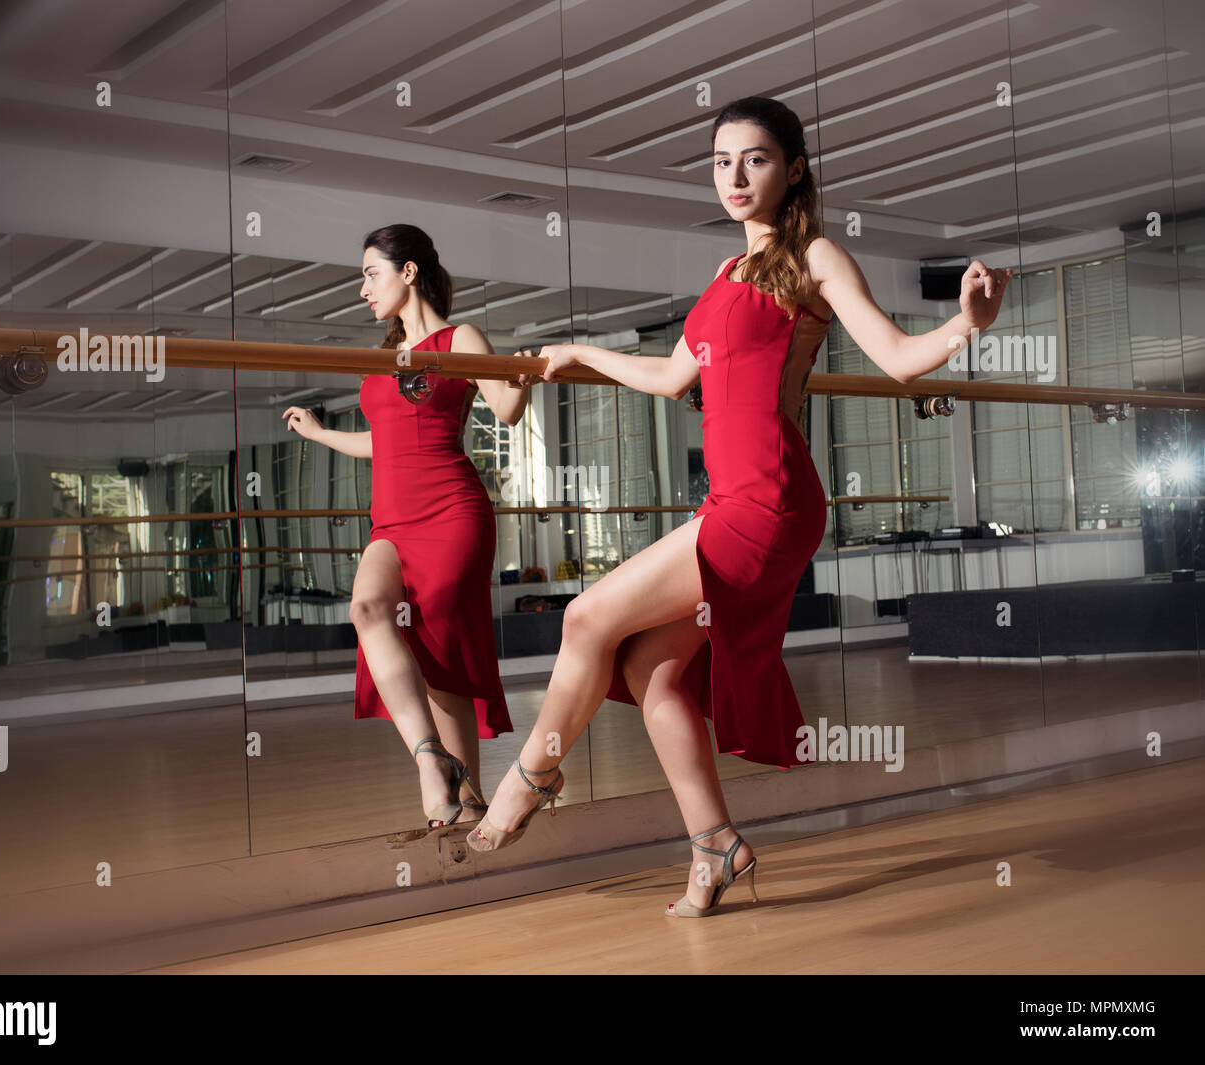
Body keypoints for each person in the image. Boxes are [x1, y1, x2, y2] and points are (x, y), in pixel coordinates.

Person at [467, 97, 1011, 916]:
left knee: (586, 620)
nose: (735, 177)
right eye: (721, 162)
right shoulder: (725, 276)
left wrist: (968, 326)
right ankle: (716, 846)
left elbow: (899, 359)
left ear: (792, 169)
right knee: (654, 672)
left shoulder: (816, 258)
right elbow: (669, 376)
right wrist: (578, 350)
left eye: (754, 159)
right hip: (733, 497)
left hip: (771, 498)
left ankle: (536, 773)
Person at [283, 224, 532, 829]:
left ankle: (467, 796)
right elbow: (383, 440)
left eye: (371, 273)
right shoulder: (381, 359)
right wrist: (319, 434)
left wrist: (519, 372)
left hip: (452, 512)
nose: (363, 289)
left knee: (440, 645)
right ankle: (432, 760)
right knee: (367, 609)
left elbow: (505, 408)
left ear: (409, 271)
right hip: (390, 521)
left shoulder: (459, 336)